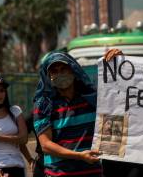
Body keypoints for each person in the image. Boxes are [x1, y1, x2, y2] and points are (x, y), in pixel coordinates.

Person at [33, 49, 121, 177]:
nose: (59, 74)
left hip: (92, 172)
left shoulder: (92, 99)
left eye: (63, 69)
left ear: (73, 71)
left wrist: (119, 63)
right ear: (48, 77)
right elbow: (46, 145)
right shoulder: (44, 105)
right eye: (54, 71)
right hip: (59, 173)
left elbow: (120, 100)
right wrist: (79, 156)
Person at [0, 72, 28, 177]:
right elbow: (20, 138)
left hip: (17, 165)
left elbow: (24, 139)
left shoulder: (15, 111)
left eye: (2, 90)